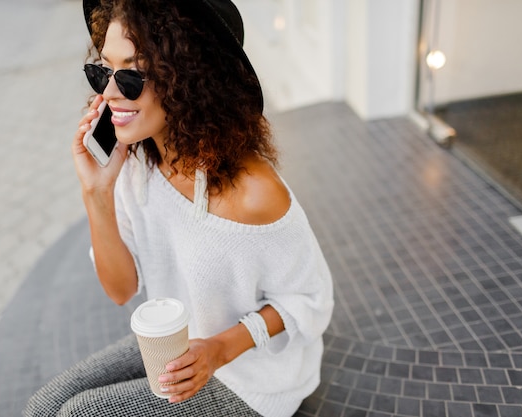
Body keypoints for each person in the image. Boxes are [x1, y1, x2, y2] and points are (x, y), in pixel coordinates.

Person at [24, 0, 333, 416]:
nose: (110, 92)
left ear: (187, 80)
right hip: (178, 343)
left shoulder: (255, 192)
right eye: (103, 71)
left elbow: (310, 298)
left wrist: (219, 350)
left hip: (252, 377)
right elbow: (121, 290)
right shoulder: (138, 164)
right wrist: (96, 192)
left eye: (132, 75)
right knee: (44, 405)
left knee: (77, 413)